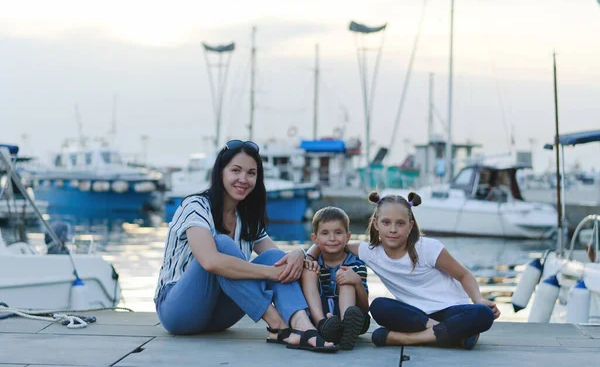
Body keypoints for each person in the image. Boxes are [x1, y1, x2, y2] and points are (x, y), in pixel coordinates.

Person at [154, 140, 337, 353]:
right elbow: (210, 261)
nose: (243, 179)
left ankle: (303, 326)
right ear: (220, 172)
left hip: (218, 317)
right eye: (236, 171)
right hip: (178, 311)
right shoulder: (195, 207)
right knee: (222, 244)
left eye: (251, 173)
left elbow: (277, 258)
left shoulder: (248, 217)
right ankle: (278, 325)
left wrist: (297, 253)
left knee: (274, 256)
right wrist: (269, 273)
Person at [308, 191, 500, 350]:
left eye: (400, 223)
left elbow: (463, 275)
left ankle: (404, 339)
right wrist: (308, 256)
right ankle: (452, 336)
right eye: (386, 222)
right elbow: (333, 245)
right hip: (416, 316)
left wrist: (478, 299)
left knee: (483, 314)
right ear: (376, 224)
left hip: (451, 310)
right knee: (379, 306)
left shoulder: (428, 248)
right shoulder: (371, 252)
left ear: (410, 226)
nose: (393, 229)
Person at [301, 207, 370, 350]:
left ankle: (346, 327)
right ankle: (322, 324)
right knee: (308, 271)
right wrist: (308, 260)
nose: (332, 238)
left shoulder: (356, 264)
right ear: (315, 239)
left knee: (345, 276)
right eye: (325, 233)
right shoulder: (313, 263)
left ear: (348, 237)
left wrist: (356, 282)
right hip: (320, 315)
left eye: (338, 233)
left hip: (354, 317)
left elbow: (364, 307)